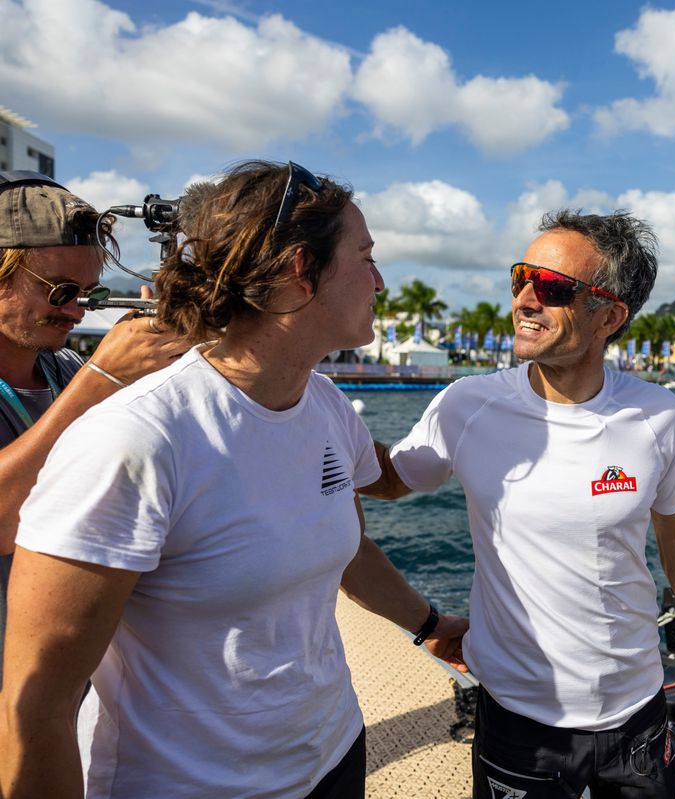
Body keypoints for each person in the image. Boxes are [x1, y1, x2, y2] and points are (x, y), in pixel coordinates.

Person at [0, 160, 468, 798]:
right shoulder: (135, 438)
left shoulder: (325, 406)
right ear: (302, 271)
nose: (381, 281)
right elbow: (38, 708)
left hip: (331, 756)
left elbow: (348, 546)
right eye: (366, 257)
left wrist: (431, 623)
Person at [361, 210, 675, 798]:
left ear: (609, 316)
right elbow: (390, 480)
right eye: (520, 278)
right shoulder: (469, 405)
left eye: (553, 288)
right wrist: (310, 414)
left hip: (636, 708)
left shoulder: (657, 414)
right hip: (518, 716)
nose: (525, 299)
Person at [0, 171, 188, 689]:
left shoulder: (61, 369)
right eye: (61, 290)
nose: (79, 310)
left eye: (88, 292)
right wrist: (102, 378)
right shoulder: (81, 378)